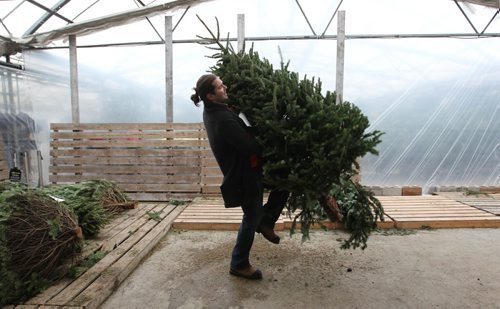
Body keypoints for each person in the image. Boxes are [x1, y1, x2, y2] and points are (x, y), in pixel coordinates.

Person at [191, 74, 285, 280]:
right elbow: (249, 146)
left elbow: (239, 132)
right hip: (244, 175)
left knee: (281, 184)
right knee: (251, 218)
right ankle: (239, 263)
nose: (225, 87)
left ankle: (266, 221)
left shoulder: (215, 110)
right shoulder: (222, 119)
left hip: (246, 170)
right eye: (220, 87)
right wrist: (269, 138)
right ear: (210, 95)